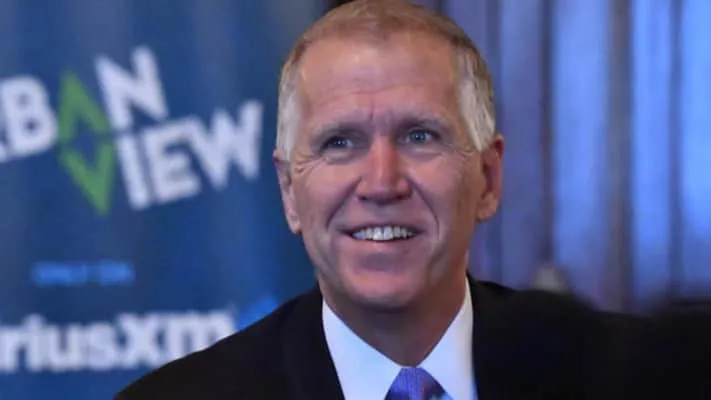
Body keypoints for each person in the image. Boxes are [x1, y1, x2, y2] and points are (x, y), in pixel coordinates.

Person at [116, 1, 642, 399]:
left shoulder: (624, 378)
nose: (382, 183)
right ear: (289, 192)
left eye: (420, 136)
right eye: (339, 143)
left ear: (487, 178)